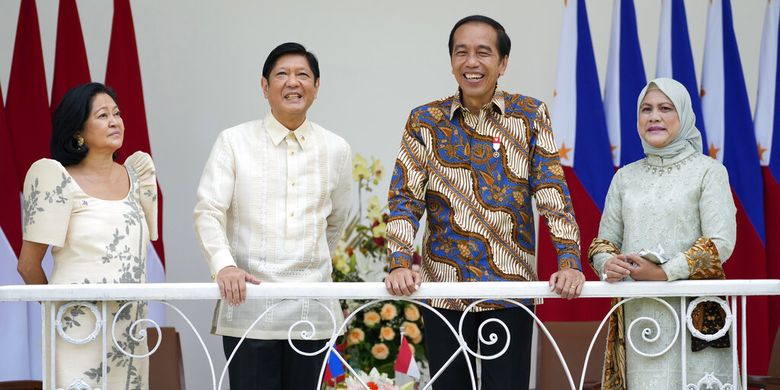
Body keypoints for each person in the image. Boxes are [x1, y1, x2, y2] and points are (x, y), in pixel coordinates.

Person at [384, 15, 584, 389]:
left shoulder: (529, 115)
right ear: (451, 61)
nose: (471, 62)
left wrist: (569, 262)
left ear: (502, 63)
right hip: (444, 295)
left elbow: (551, 192)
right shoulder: (424, 120)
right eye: (462, 52)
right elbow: (404, 198)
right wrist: (398, 262)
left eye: (483, 52)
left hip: (511, 293)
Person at [193, 42, 352, 390]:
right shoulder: (233, 142)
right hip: (248, 306)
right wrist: (224, 266)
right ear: (265, 87)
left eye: (303, 75)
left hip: (312, 310)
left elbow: (338, 219)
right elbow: (208, 211)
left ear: (317, 86)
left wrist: (309, 261)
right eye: (282, 74)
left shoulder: (336, 148)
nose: (293, 82)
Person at [588, 78, 737, 389]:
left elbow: (719, 244)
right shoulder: (625, 177)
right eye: (646, 109)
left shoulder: (709, 171)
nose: (654, 116)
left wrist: (663, 273)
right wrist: (606, 263)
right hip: (640, 317)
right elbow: (604, 242)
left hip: (695, 314)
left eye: (665, 108)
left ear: (683, 115)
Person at [17, 82, 158, 390]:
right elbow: (28, 265)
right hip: (79, 331)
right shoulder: (56, 178)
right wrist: (65, 314)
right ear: (78, 130)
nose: (114, 121)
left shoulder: (137, 176)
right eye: (102, 115)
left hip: (129, 330)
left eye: (117, 113)